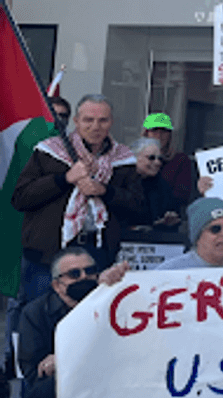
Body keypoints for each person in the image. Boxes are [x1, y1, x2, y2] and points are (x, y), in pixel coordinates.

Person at [8, 94, 145, 370]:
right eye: (88, 120)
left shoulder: (124, 159)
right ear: (76, 121)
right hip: (47, 256)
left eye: (102, 120)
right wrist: (63, 180)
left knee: (92, 324)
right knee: (39, 322)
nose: (95, 126)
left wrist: (106, 191)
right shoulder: (49, 151)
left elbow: (139, 207)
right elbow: (20, 198)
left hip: (95, 255)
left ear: (111, 123)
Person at [17, 247, 98, 398]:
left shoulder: (108, 305)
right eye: (74, 274)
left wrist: (64, 358)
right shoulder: (35, 313)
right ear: (57, 285)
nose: (84, 277)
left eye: (90, 271)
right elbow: (35, 378)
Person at [126, 137, 182, 233]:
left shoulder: (163, 186)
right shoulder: (121, 182)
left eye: (160, 159)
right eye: (151, 158)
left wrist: (170, 220)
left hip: (155, 241)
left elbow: (173, 213)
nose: (157, 162)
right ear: (134, 157)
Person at [142, 112, 197, 205]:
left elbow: (182, 196)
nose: (159, 135)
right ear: (146, 133)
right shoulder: (133, 158)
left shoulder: (180, 160)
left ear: (170, 134)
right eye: (154, 130)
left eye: (164, 131)